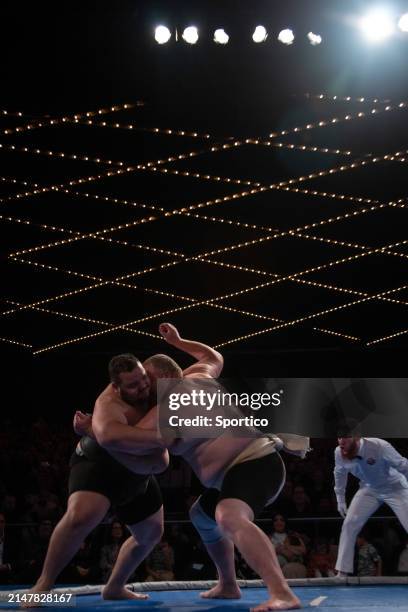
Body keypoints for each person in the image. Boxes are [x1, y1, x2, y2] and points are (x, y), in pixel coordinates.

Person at [90, 323, 304, 611]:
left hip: (254, 463)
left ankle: (282, 593)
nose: (144, 390)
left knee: (227, 516)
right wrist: (178, 341)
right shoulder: (200, 376)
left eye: (147, 383)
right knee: (202, 517)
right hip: (249, 468)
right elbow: (214, 356)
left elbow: (117, 439)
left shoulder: (163, 410)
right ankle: (228, 584)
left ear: (164, 379)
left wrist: (91, 430)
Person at [25, 354, 169, 605]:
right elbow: (117, 442)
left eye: (144, 380)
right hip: (99, 463)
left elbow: (159, 460)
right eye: (133, 386)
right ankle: (44, 583)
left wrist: (178, 343)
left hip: (136, 471)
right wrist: (160, 438)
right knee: (82, 516)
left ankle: (114, 587)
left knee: (152, 532)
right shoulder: (108, 406)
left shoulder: (157, 386)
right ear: (117, 387)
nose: (143, 388)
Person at [334, 425, 408, 576]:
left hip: (395, 487)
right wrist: (340, 499)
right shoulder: (339, 452)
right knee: (349, 523)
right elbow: (339, 473)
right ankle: (342, 572)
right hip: (369, 489)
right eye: (339, 437)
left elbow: (404, 466)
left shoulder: (379, 446)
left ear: (356, 437)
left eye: (345, 437)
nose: (341, 441)